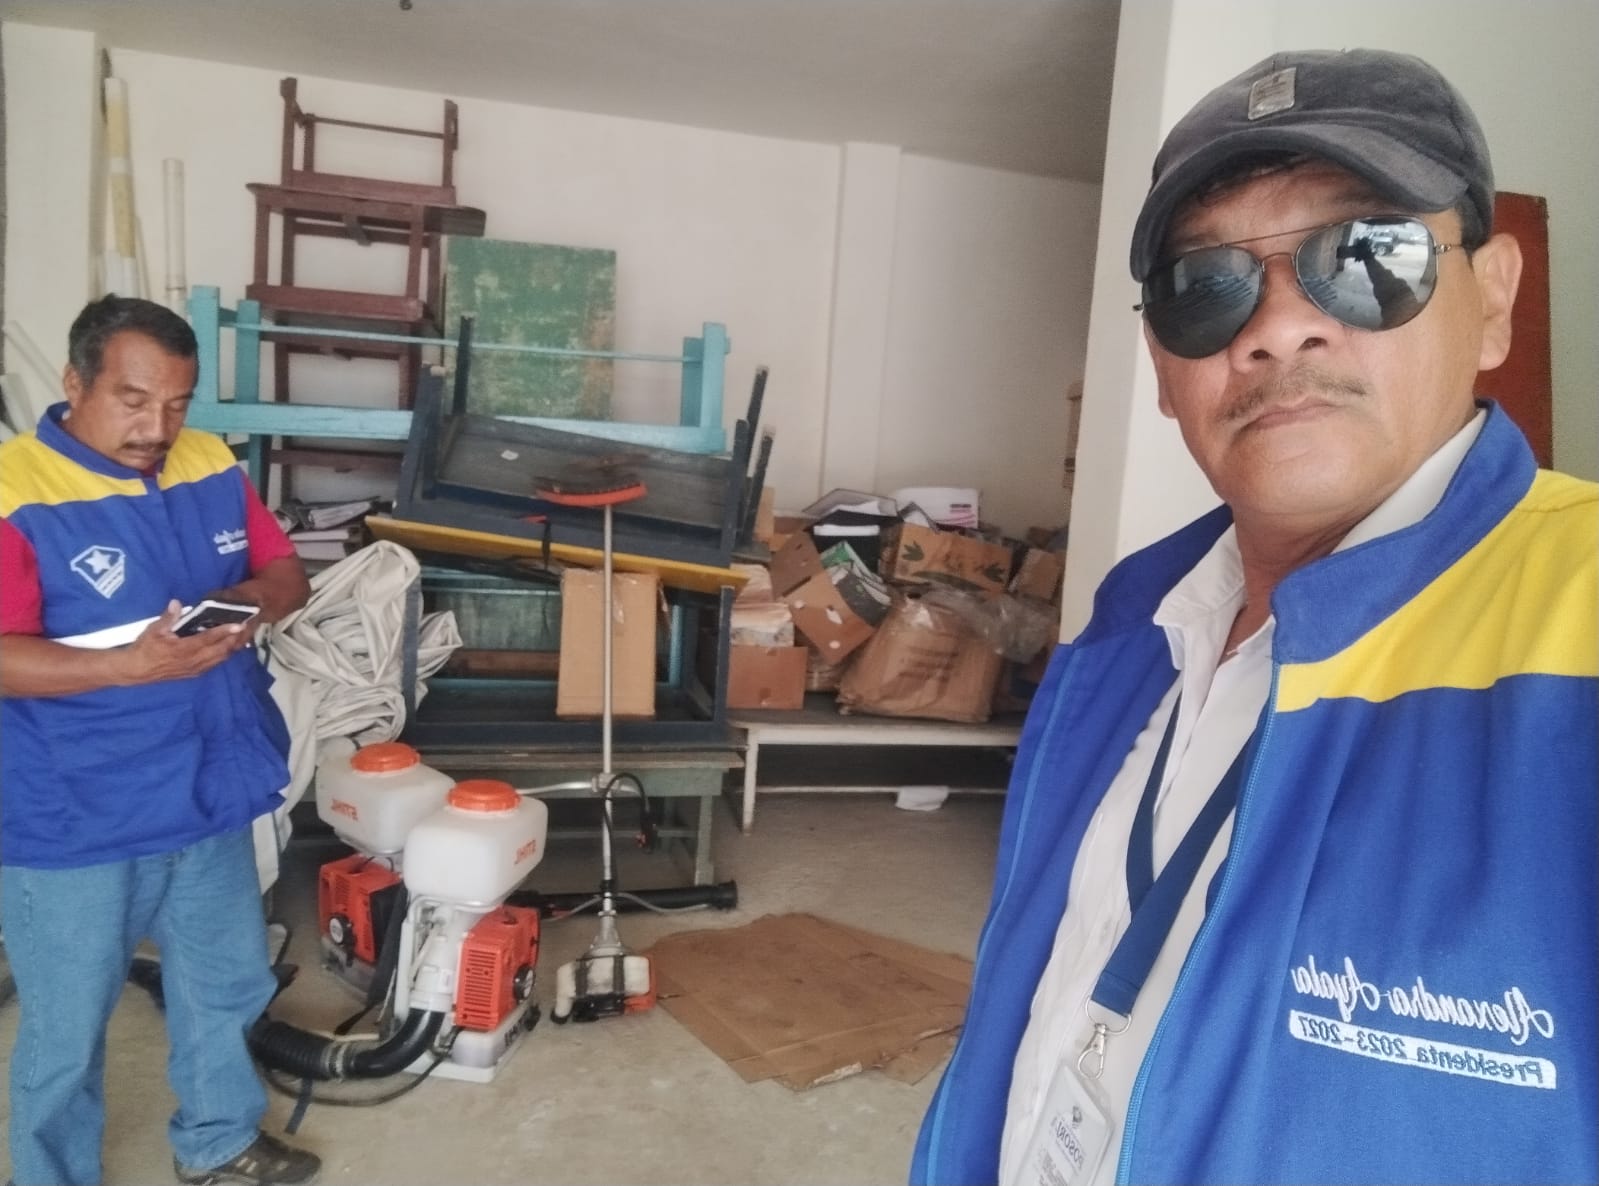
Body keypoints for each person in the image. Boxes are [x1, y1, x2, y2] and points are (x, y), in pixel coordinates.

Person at [913, 48, 1595, 1186]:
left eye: (1365, 254)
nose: (1277, 328)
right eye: (1206, 284)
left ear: (1493, 300)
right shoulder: (1127, 629)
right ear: (1162, 362)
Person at [0, 297, 319, 1185]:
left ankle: (218, 1141)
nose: (157, 429)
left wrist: (248, 606)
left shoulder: (209, 461)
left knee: (226, 984)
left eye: (177, 403)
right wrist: (125, 668)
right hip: (78, 810)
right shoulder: (16, 493)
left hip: (207, 783)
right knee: (67, 1026)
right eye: (134, 401)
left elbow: (284, 571)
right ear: (74, 383)